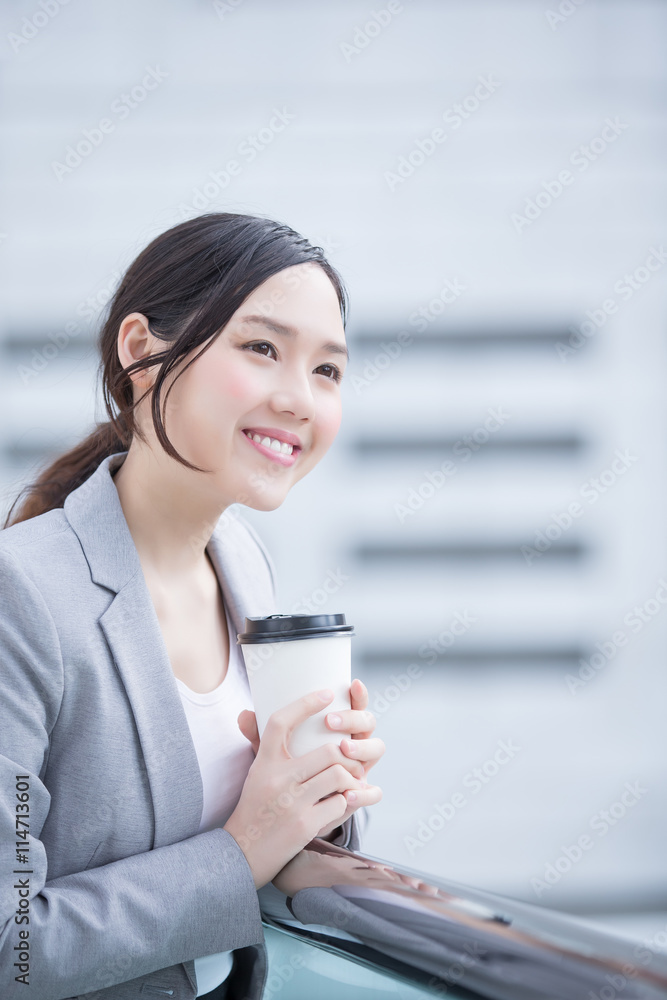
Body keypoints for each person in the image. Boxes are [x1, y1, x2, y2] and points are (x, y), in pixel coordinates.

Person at [0, 212, 385, 1000]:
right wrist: (242, 852)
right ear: (141, 351)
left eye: (328, 371)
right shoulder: (24, 596)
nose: (300, 399)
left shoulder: (243, 563)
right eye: (262, 348)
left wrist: (317, 797)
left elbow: (242, 833)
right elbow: (13, 947)